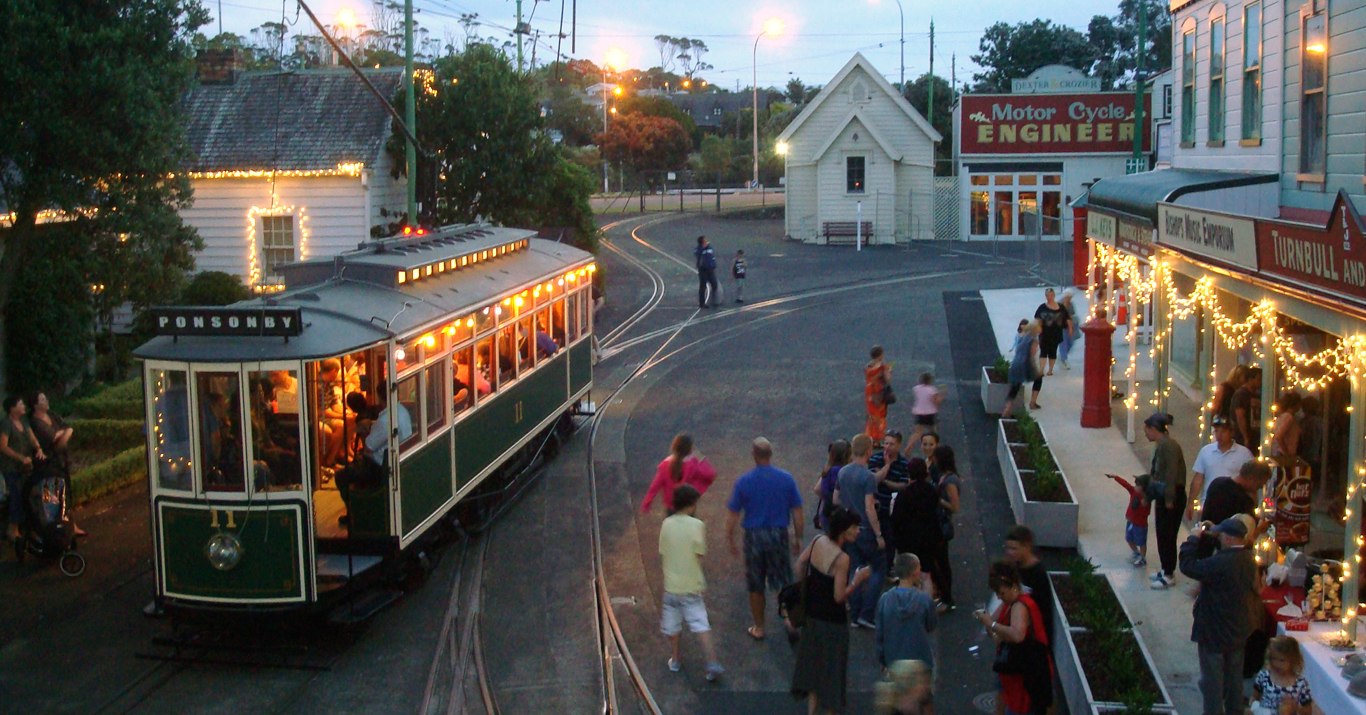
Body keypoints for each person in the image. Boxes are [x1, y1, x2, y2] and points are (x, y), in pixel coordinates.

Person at [791, 506, 871, 715]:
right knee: (832, 674)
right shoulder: (842, 559)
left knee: (814, 671)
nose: (858, 531)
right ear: (845, 531)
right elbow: (838, 596)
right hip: (833, 623)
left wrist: (804, 591)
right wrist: (857, 581)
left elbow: (799, 565)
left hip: (812, 615)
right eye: (855, 527)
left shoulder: (818, 541)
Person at [1179, 517, 1260, 715]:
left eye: (1222, 534)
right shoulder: (1248, 560)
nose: (1220, 537)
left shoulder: (1221, 562)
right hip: (1238, 631)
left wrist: (1192, 540)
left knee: (1212, 684)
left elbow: (1188, 566)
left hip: (1214, 632)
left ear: (1230, 538)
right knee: (1234, 681)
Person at [726, 437, 804, 640]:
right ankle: (790, 620)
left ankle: (759, 627)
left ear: (754, 454)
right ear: (771, 454)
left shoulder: (743, 481)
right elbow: (797, 510)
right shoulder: (786, 478)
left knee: (756, 583)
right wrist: (798, 536)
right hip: (778, 534)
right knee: (783, 580)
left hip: (754, 536)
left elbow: (733, 513)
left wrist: (730, 538)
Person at [658, 484, 724, 681]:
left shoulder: (666, 524)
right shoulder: (697, 525)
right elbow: (699, 554)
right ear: (691, 504)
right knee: (701, 625)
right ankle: (712, 663)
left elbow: (663, 551)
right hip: (691, 587)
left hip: (671, 587)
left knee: (673, 627)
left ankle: (676, 660)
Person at [973, 561, 1053, 715]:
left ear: (1013, 586)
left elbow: (1017, 635)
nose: (999, 596)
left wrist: (991, 623)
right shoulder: (1010, 603)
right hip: (1014, 673)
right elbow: (996, 631)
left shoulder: (1020, 606)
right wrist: (990, 625)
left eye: (1002, 592)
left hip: (1024, 678)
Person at [334, 383, 412, 526]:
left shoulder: (386, 420)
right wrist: (372, 424)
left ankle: (354, 515)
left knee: (341, 476)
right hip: (395, 460)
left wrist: (364, 428)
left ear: (380, 398)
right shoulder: (401, 411)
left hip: (379, 468)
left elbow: (369, 446)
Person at [834, 433, 886, 628]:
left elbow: (835, 500)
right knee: (878, 568)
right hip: (866, 530)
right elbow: (869, 508)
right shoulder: (867, 477)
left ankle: (855, 615)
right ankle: (867, 612)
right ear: (869, 451)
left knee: (854, 569)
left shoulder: (843, 472)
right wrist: (879, 534)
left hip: (848, 530)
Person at [1142, 412, 1188, 590]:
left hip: (1171, 496)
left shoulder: (1169, 448)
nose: (1145, 434)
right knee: (1162, 535)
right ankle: (1165, 569)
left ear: (1154, 429)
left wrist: (1169, 498)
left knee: (1167, 535)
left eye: (1147, 430)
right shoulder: (1165, 446)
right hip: (1164, 495)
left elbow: (1170, 475)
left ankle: (1168, 573)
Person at [27, 391, 82, 536]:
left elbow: (66, 428)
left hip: (61, 460)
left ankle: (72, 525)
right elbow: (51, 437)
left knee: (67, 493)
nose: (46, 401)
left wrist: (62, 434)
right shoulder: (35, 422)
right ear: (35, 404)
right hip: (48, 464)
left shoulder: (51, 415)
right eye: (43, 399)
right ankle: (55, 528)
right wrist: (62, 433)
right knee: (54, 496)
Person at [889, 459, 944, 605]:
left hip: (907, 541)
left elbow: (896, 520)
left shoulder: (904, 494)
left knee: (907, 575)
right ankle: (926, 606)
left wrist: (896, 541)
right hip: (927, 539)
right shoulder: (931, 491)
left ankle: (908, 604)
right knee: (926, 575)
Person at [876, 553, 938, 671]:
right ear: (916, 573)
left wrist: (882, 660)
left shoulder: (885, 599)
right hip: (920, 659)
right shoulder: (924, 599)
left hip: (893, 660)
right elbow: (931, 625)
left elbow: (880, 633)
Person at [1186, 416, 1254, 521]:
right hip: (1209, 505)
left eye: (1223, 432)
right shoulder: (1206, 451)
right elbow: (1198, 479)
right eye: (1216, 431)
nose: (1219, 435)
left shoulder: (1244, 454)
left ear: (1231, 433)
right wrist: (1191, 502)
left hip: (1234, 507)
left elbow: (1251, 482)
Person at [641, 433, 718, 514]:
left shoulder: (665, 465)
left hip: (671, 505)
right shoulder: (693, 463)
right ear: (690, 449)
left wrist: (647, 503)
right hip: (687, 505)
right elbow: (710, 474)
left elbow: (655, 485)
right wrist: (700, 458)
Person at [0, 396, 43, 542]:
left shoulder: (23, 422)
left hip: (26, 467)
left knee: (31, 495)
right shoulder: (6, 424)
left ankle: (31, 528)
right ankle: (13, 529)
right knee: (17, 496)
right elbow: (3, 446)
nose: (23, 406)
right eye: (20, 404)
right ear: (12, 408)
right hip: (11, 467)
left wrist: (38, 449)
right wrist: (20, 458)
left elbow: (31, 438)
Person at [1003, 525, 1053, 640]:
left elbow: (1043, 611)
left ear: (1026, 547)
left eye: (1014, 549)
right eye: (1008, 548)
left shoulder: (1038, 574)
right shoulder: (1014, 567)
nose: (1010, 553)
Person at [868, 430, 910, 564]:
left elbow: (903, 485)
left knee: (890, 539)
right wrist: (886, 468)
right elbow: (872, 481)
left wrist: (885, 480)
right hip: (875, 505)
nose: (887, 447)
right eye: (886, 443)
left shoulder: (904, 464)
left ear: (899, 445)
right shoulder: (875, 459)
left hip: (892, 508)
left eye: (891, 444)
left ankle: (888, 565)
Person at [931, 444, 961, 611]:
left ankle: (947, 598)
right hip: (938, 522)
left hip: (942, 524)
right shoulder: (943, 476)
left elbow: (955, 507)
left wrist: (939, 500)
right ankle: (944, 595)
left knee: (942, 562)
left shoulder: (949, 481)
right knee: (940, 560)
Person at [1202, 460, 1273, 529]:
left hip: (1204, 535)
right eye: (1259, 485)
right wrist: (1260, 528)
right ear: (1251, 478)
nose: (1259, 489)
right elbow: (1245, 538)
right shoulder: (1243, 500)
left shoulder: (1217, 483)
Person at [1251, 636, 1313, 715]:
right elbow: (1255, 697)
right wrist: (1252, 708)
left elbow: (1308, 711)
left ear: (1293, 660)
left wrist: (1294, 707)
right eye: (1274, 658)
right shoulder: (1264, 676)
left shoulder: (1301, 683)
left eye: (1282, 660)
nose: (1277, 664)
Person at [1105, 473, 1152, 567]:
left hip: (1140, 525)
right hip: (1130, 522)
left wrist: (1145, 504)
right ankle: (1136, 553)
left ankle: (1142, 558)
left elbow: (1146, 512)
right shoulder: (1133, 492)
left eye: (1138, 485)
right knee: (1129, 539)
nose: (1135, 487)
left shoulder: (1147, 499)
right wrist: (1115, 477)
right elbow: (1125, 484)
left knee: (1141, 542)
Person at [1000, 320, 1042, 415]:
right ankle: (1033, 402)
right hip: (1025, 364)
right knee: (1039, 379)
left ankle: (1008, 408)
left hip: (1016, 362)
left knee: (1015, 386)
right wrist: (1035, 369)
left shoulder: (1021, 336)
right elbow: (1032, 356)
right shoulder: (1034, 340)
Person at [814, 440, 851, 532]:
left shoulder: (828, 469)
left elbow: (818, 489)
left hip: (826, 512)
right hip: (836, 515)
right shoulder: (841, 471)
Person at [1033, 288, 1071, 377]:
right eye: (1047, 295)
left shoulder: (1061, 307)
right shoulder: (1042, 307)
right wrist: (1037, 328)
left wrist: (1070, 329)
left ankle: (1050, 370)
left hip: (1056, 333)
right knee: (1043, 351)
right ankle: (1041, 370)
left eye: (1051, 295)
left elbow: (1067, 318)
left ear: (1054, 295)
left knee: (1053, 351)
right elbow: (1037, 319)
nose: (1049, 297)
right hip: (1044, 333)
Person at [1232, 367, 1263, 452]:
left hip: (1255, 436)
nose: (1261, 382)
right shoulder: (1241, 394)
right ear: (1250, 379)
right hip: (1242, 438)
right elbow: (1240, 416)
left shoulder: (1258, 395)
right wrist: (1246, 437)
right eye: (1259, 379)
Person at [865, 346, 892, 441]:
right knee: (880, 415)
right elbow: (887, 379)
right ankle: (878, 438)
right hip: (879, 392)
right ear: (880, 355)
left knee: (871, 415)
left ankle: (870, 436)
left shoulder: (868, 366)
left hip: (869, 392)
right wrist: (889, 372)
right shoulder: (883, 366)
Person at [909, 374, 942, 447]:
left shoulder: (916, 388)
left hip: (918, 412)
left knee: (917, 433)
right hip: (930, 413)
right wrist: (941, 395)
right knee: (933, 431)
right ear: (930, 380)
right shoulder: (932, 389)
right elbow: (936, 402)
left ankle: (909, 447)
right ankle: (936, 446)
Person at [1268, 391, 1302, 459]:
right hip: (1284, 453)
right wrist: (1287, 454)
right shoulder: (1288, 417)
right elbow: (1279, 436)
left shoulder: (1282, 417)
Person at [1056, 288, 1079, 369]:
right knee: (1063, 343)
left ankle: (1063, 356)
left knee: (1070, 342)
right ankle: (1063, 359)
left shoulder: (1071, 304)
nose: (1069, 299)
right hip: (1061, 327)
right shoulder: (1059, 304)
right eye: (1068, 297)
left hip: (1070, 326)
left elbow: (1072, 314)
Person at [694, 235, 719, 308]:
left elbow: (712, 257)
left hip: (710, 268)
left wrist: (714, 265)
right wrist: (703, 248)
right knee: (703, 286)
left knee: (714, 284)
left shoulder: (710, 248)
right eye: (705, 240)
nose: (707, 241)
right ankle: (702, 303)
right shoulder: (698, 249)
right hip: (703, 269)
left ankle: (714, 300)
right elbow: (697, 254)